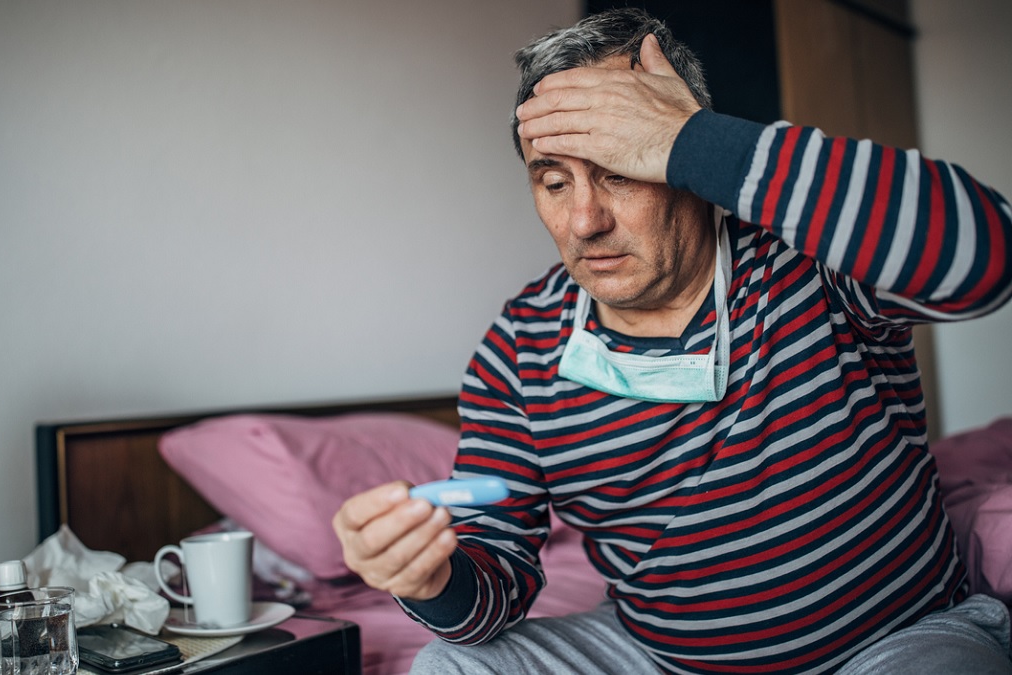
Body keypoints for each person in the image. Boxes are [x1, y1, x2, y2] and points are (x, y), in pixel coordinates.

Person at [332, 7, 1012, 674]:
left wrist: (697, 139)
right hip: (659, 656)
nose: (583, 220)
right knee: (448, 663)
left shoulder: (809, 259)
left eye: (618, 169)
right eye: (554, 180)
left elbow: (987, 258)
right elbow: (495, 577)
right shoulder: (520, 347)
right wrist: (429, 578)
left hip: (896, 638)